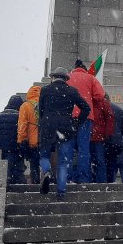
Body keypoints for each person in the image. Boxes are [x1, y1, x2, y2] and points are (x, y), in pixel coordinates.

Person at [37, 67, 91, 200]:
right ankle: (61, 192)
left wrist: (44, 123)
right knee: (63, 161)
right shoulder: (72, 91)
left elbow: (41, 110)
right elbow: (86, 108)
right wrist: (77, 122)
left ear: (53, 77)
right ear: (66, 79)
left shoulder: (45, 90)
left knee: (44, 154)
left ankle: (47, 171)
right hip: (66, 127)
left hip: (48, 126)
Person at [67, 59, 106, 184]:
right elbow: (100, 95)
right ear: (84, 69)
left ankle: (68, 177)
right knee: (84, 148)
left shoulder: (67, 78)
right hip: (86, 116)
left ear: (74, 68)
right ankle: (83, 178)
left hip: (69, 116)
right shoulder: (90, 78)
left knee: (69, 148)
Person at [0, 95, 26, 184]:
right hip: (13, 146)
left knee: (2, 168)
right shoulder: (19, 116)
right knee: (13, 168)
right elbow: (20, 132)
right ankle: (11, 182)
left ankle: (3, 182)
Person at [18, 86, 42, 184]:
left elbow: (22, 124)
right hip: (44, 138)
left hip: (32, 139)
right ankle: (48, 176)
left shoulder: (25, 106)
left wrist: (21, 139)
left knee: (34, 162)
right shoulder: (44, 104)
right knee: (45, 159)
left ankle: (35, 182)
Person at [91, 94, 115, 183]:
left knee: (92, 160)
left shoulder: (91, 101)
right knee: (100, 160)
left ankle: (91, 181)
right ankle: (101, 182)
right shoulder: (103, 103)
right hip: (99, 136)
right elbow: (109, 118)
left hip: (92, 136)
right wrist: (107, 134)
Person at [104, 94, 123, 182]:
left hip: (107, 143)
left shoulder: (102, 109)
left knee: (110, 170)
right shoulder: (119, 110)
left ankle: (110, 186)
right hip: (119, 143)